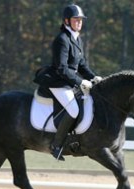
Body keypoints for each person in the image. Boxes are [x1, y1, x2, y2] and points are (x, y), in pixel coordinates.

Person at [34, 4, 102, 161]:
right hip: (58, 81)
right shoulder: (62, 40)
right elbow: (62, 68)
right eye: (75, 19)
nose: (79, 22)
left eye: (80, 20)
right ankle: (56, 145)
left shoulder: (77, 39)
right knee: (73, 110)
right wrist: (80, 81)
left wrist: (94, 77)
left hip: (69, 81)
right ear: (66, 21)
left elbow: (82, 65)